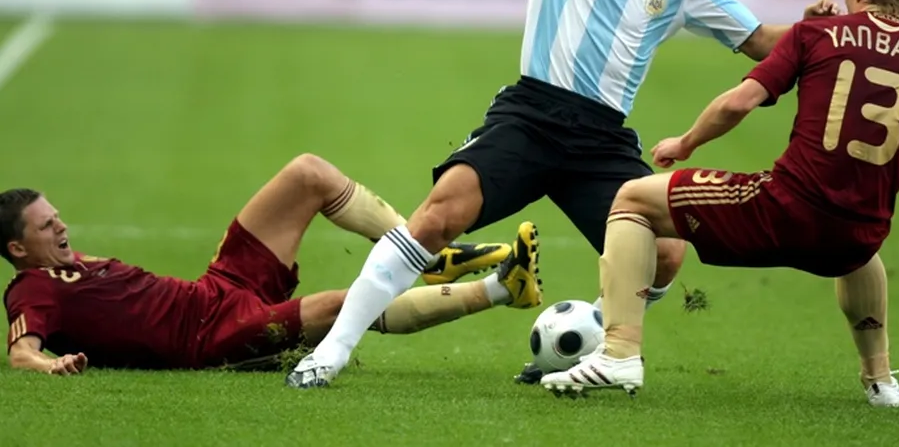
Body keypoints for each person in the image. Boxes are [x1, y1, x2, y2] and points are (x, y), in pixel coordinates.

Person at [287, 0, 836, 389]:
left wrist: (809, 30)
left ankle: (589, 340)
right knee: (439, 217)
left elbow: (757, 41)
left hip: (601, 140)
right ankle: (330, 352)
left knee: (667, 252)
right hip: (531, 114)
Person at [539, 0, 899, 406]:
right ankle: (880, 381)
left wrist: (685, 142)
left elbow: (739, 103)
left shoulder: (816, 34)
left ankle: (619, 353)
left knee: (632, 198)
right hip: (854, 235)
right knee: (863, 253)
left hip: (783, 212)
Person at [2, 154, 539, 374]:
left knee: (308, 174)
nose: (61, 227)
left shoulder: (66, 265)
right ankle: (501, 289)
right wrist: (52, 365)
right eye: (46, 226)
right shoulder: (31, 289)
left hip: (214, 289)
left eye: (57, 217)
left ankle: (430, 253)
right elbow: (21, 352)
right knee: (344, 305)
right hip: (209, 337)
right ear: (18, 250)